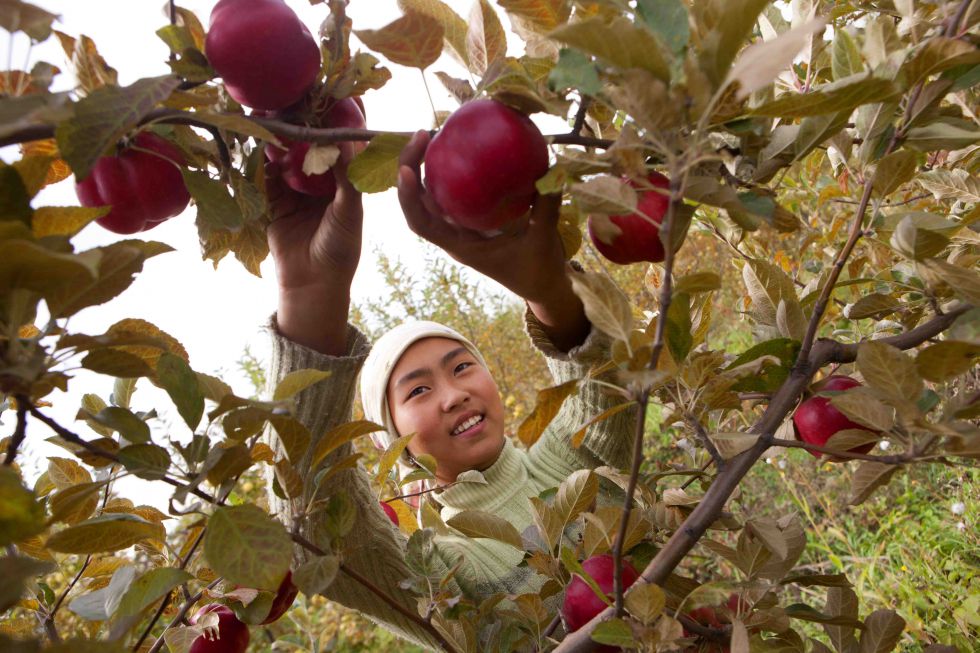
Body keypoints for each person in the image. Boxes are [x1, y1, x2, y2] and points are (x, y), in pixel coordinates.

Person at [264, 129, 637, 650]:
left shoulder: (572, 467)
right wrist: (309, 302)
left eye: (461, 367)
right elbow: (320, 537)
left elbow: (608, 380)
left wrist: (548, 287)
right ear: (389, 438)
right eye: (417, 391)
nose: (452, 394)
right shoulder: (436, 566)